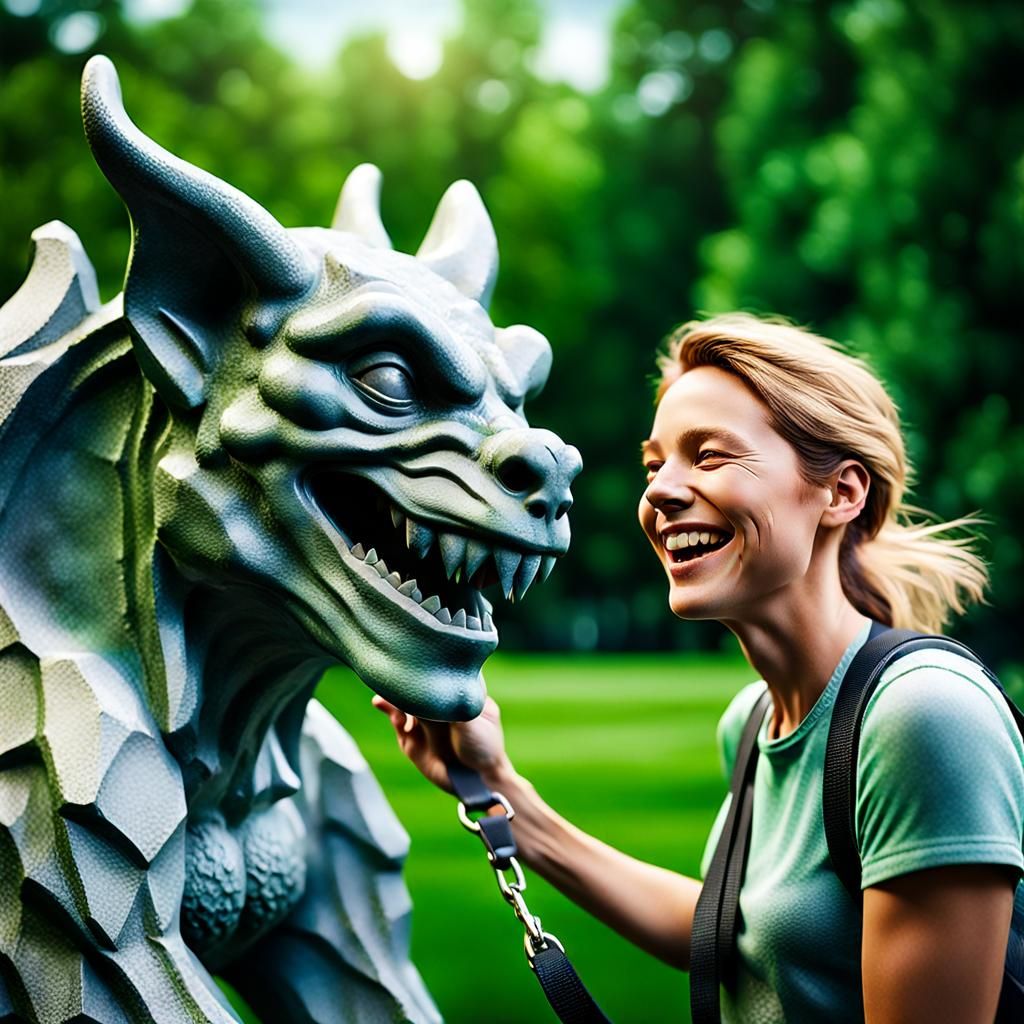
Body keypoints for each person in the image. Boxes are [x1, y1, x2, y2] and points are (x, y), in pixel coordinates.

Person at [373, 312, 1024, 1023]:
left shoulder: (923, 718)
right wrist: (500, 795)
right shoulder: (750, 723)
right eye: (656, 466)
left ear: (841, 493)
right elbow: (744, 934)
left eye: (709, 456)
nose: (659, 493)